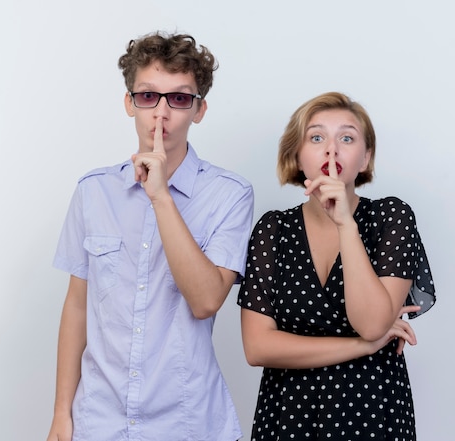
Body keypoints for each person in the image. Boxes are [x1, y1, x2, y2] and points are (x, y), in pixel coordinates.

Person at [46, 32, 254, 441]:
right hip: (99, 421)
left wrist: (159, 195)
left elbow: (206, 301)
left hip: (187, 422)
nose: (161, 112)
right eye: (147, 96)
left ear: (199, 110)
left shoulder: (230, 194)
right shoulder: (93, 191)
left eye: (179, 98)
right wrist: (61, 415)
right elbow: (77, 307)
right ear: (129, 103)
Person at [237, 92, 435, 440]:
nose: (332, 149)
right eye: (316, 137)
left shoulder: (392, 218)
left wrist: (346, 225)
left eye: (347, 138)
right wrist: (360, 347)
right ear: (297, 157)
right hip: (289, 415)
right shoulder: (274, 229)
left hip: (372, 413)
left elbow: (372, 324)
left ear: (365, 158)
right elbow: (257, 348)